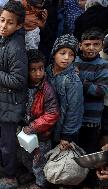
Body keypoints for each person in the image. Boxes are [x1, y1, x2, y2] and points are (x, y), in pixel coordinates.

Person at [0, 1, 27, 188]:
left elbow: (19, 80)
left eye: (9, 22)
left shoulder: (16, 47)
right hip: (4, 102)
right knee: (3, 138)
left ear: (19, 25)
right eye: (2, 20)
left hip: (11, 104)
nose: (3, 25)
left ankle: (11, 177)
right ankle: (6, 166)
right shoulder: (6, 40)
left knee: (7, 142)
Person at [75, 28, 108, 188]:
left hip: (92, 120)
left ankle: (90, 183)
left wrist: (80, 80)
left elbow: (101, 90)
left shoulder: (103, 65)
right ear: (80, 45)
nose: (91, 48)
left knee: (90, 154)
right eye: (87, 44)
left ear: (102, 46)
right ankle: (74, 181)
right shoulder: (73, 61)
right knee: (75, 152)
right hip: (74, 119)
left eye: (96, 44)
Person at [22, 49, 60, 189]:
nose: (38, 73)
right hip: (26, 131)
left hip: (42, 134)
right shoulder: (24, 85)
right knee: (26, 155)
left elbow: (52, 114)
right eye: (33, 70)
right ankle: (31, 174)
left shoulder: (47, 89)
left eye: (41, 69)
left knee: (40, 159)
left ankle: (40, 183)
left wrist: (33, 127)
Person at [46, 34, 83, 149]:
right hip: (46, 128)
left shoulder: (73, 80)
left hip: (61, 132)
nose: (67, 58)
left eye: (71, 55)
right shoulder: (46, 71)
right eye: (62, 53)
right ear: (54, 53)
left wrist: (67, 136)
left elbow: (75, 110)